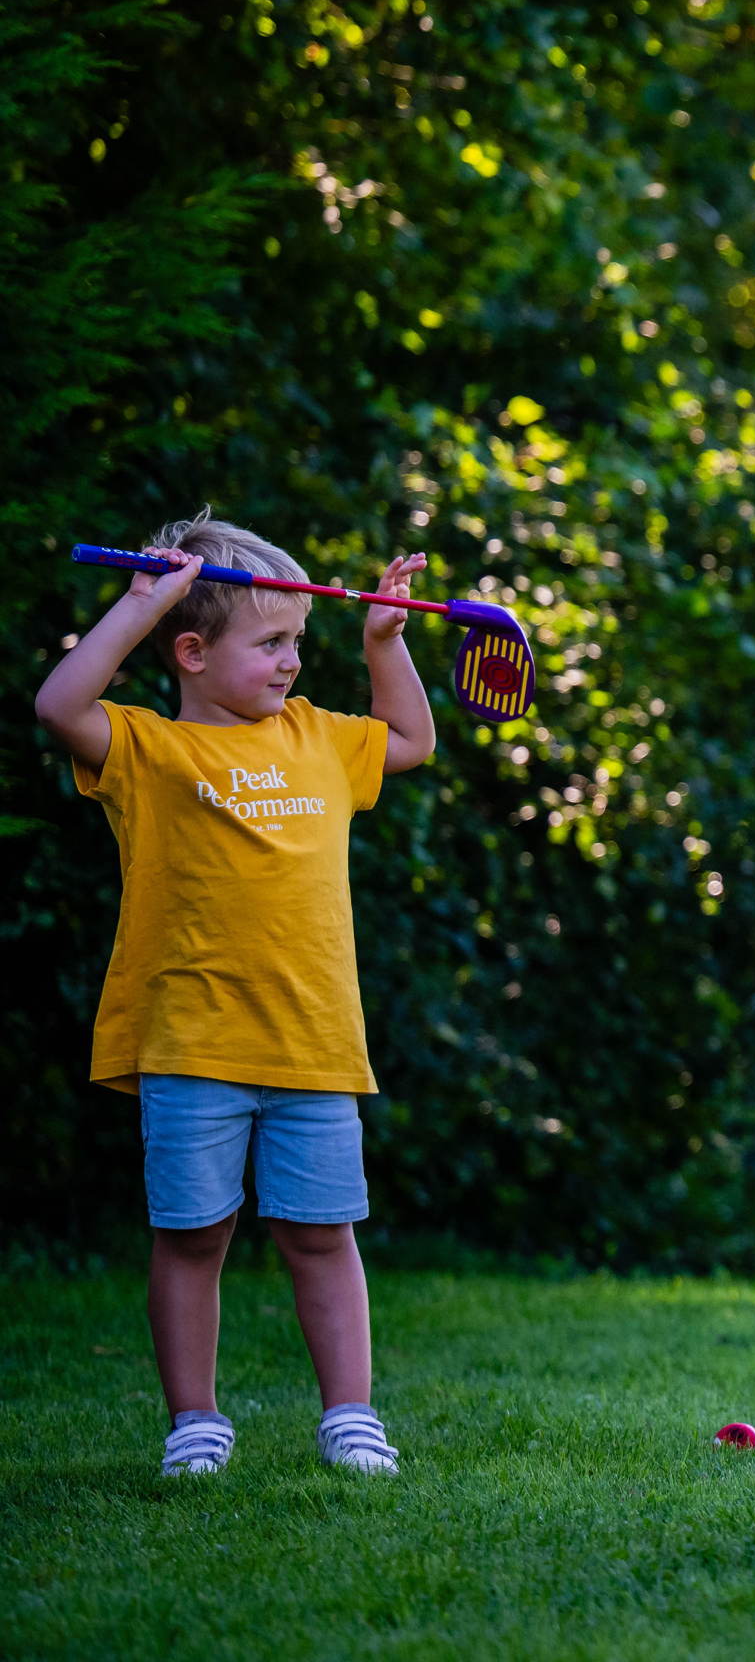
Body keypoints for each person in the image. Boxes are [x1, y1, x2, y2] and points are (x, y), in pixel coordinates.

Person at [36, 513, 436, 1478]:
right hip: (190, 1045)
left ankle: (350, 1417)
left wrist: (385, 642)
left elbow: (414, 741)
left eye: (299, 640)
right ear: (191, 652)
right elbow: (59, 704)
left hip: (312, 1044)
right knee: (192, 1238)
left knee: (322, 1236)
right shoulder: (145, 751)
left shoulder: (319, 739)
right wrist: (140, 602)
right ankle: (195, 1425)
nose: (293, 662)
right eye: (271, 643)